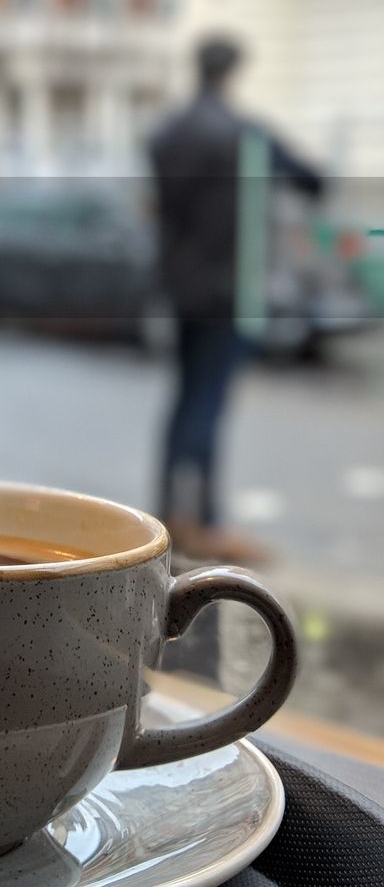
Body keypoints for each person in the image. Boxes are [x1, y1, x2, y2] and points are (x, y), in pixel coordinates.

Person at [149, 34, 324, 560]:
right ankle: (202, 519)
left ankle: (169, 512)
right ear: (233, 73)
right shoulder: (245, 134)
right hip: (229, 288)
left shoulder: (168, 133)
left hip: (182, 286)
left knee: (184, 398)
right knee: (209, 402)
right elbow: (312, 180)